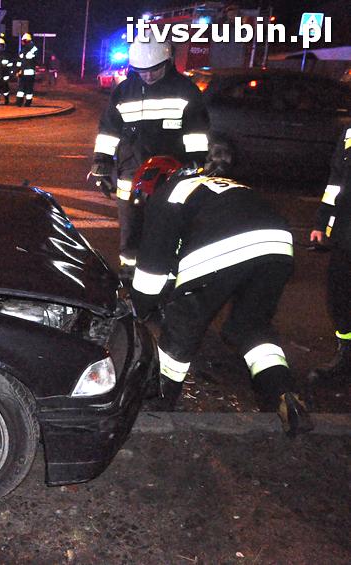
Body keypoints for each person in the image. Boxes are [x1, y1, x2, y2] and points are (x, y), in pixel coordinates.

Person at [129, 156, 313, 436]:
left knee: (182, 327)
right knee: (251, 328)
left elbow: (151, 270)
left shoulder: (167, 195)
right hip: (278, 245)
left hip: (225, 244)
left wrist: (138, 307)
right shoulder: (211, 185)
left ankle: (158, 402)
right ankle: (283, 393)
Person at [89, 37, 210, 279]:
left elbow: (197, 132)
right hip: (130, 174)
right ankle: (130, 271)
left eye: (154, 70)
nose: (148, 76)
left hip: (171, 174)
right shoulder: (124, 91)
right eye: (142, 71)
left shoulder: (186, 90)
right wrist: (101, 163)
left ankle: (166, 272)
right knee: (131, 227)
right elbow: (109, 130)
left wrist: (196, 163)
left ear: (168, 61)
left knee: (166, 226)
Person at [309, 127, 351, 380]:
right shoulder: (349, 133)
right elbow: (335, 182)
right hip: (346, 230)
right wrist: (322, 223)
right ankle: (345, 354)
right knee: (339, 295)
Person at [15, 33, 38, 107]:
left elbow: (24, 61)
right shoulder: (25, 50)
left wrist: (19, 70)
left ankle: (21, 102)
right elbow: (19, 61)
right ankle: (25, 103)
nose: (22, 42)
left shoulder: (30, 49)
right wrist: (18, 70)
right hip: (26, 73)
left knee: (23, 88)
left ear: (26, 40)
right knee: (27, 88)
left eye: (23, 41)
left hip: (26, 73)